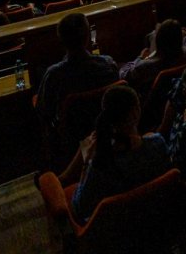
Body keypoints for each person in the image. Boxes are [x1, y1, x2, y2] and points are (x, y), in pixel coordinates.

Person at [59, 84, 171, 223]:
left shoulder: (100, 165)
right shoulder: (158, 144)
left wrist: (87, 163)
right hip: (156, 220)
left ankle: (61, 180)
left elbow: (79, 209)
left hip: (115, 234)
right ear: (136, 112)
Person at [37, 13, 119, 129]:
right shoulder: (108, 64)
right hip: (107, 130)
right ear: (88, 37)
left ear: (61, 41)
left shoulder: (54, 76)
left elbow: (43, 111)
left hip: (71, 138)